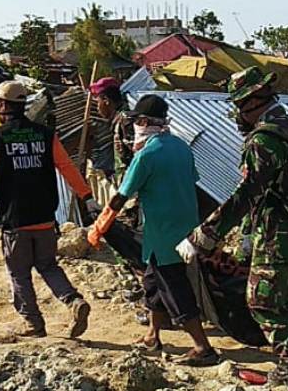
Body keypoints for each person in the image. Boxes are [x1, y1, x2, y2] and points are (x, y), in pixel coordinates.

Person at [175, 67, 288, 391]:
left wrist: (204, 236)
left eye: (236, 108)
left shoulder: (264, 140)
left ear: (250, 103)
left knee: (263, 301)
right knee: (285, 296)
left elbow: (246, 194)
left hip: (279, 234)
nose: (236, 117)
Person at [87, 95, 219, 365]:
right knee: (152, 284)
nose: (133, 127)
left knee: (174, 289)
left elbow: (121, 196)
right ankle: (152, 335)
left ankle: (203, 348)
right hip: (185, 231)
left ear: (144, 122)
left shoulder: (146, 155)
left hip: (162, 234)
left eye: (136, 122)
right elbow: (192, 184)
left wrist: (99, 227)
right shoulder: (181, 147)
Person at [0, 81, 94, 338]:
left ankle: (33, 324)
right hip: (45, 219)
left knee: (18, 273)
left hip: (15, 221)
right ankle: (73, 301)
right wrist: (87, 196)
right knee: (48, 266)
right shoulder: (46, 134)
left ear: (3, 104)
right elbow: (68, 167)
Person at [90, 77, 136, 184]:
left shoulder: (125, 121)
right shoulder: (119, 120)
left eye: (98, 102)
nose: (97, 108)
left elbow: (137, 157)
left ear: (106, 100)